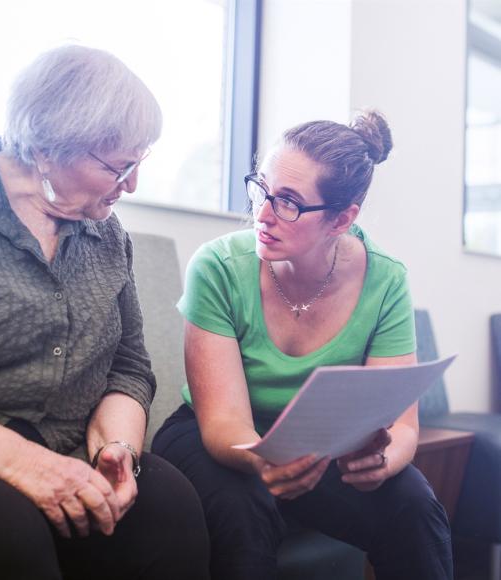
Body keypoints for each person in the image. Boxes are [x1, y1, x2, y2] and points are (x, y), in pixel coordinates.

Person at [0, 45, 210, 580]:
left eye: (138, 164)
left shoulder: (106, 235)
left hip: (71, 451)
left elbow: (129, 366)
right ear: (45, 148)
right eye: (118, 166)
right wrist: (26, 465)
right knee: (4, 533)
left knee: (170, 506)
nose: (131, 186)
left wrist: (120, 451)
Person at [152, 110, 453, 580]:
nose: (263, 213)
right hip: (218, 437)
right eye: (262, 189)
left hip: (317, 447)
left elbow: (402, 427)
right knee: (243, 507)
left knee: (413, 502)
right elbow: (224, 421)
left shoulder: (386, 279)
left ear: (341, 219)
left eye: (289, 202)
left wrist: (381, 461)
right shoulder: (217, 267)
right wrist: (265, 460)